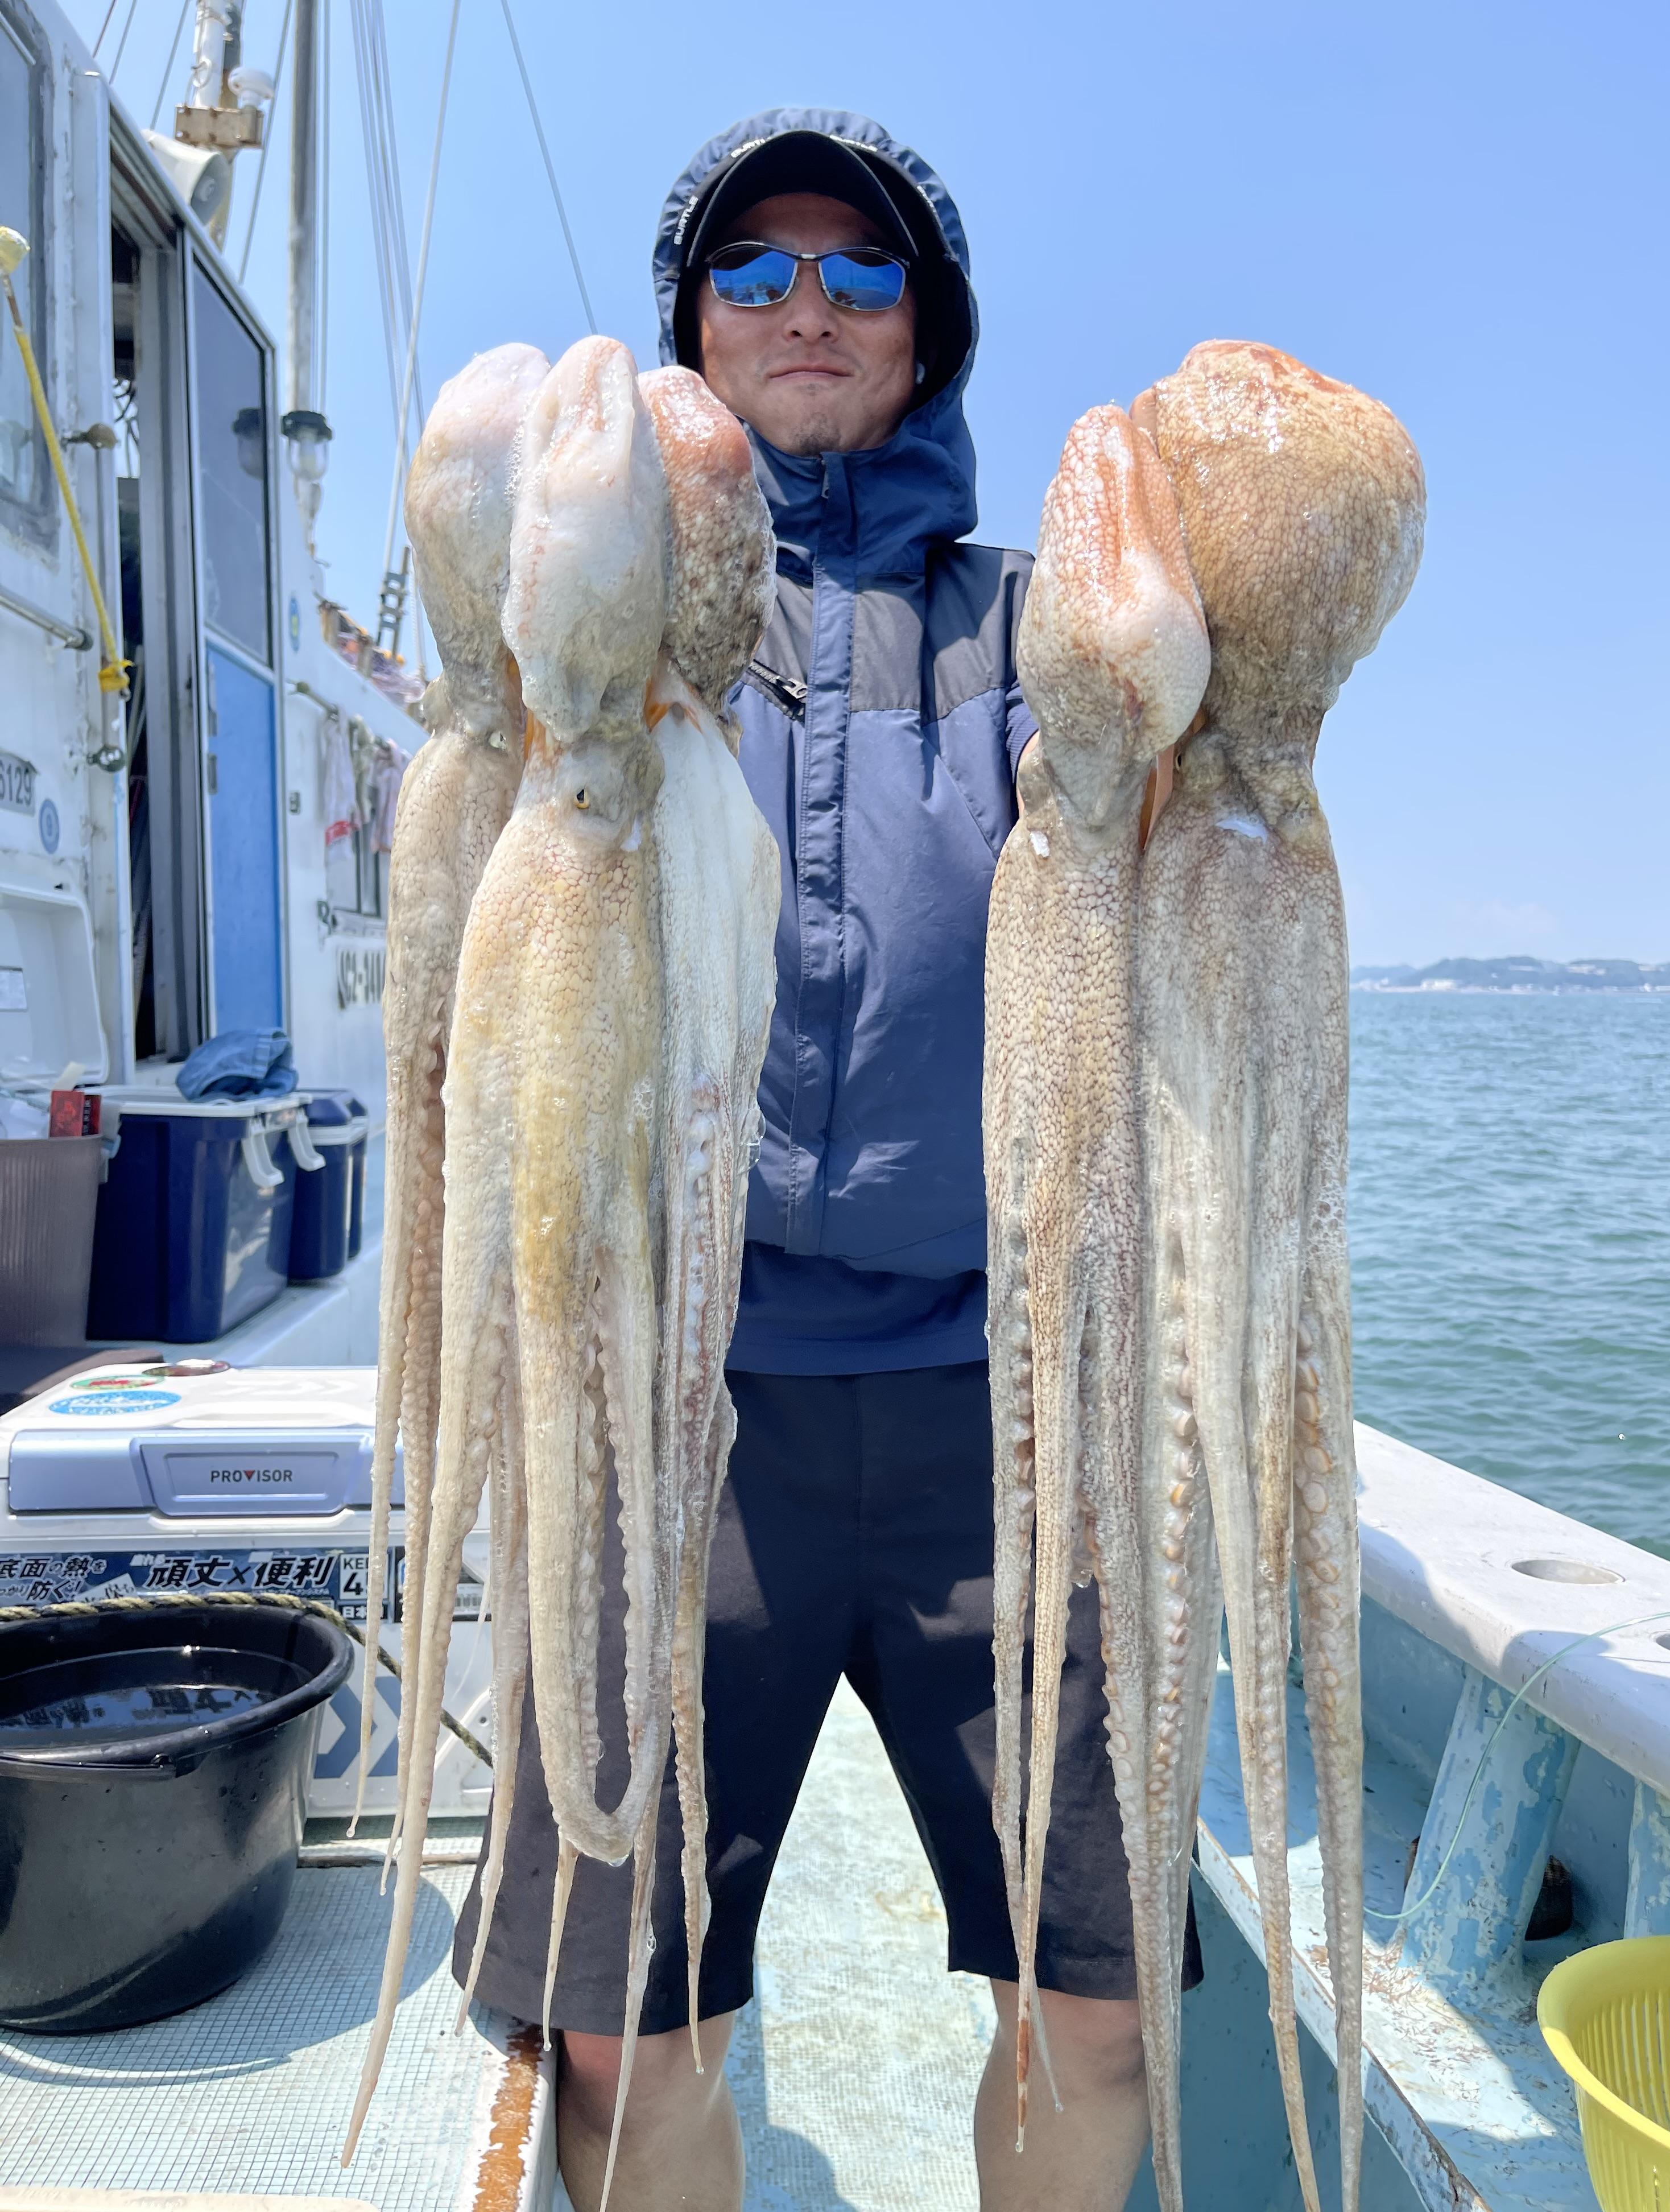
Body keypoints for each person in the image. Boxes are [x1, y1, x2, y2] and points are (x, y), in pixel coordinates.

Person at [453, 107, 1196, 2212]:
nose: (806, 305)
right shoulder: (610, 644)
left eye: (858, 273)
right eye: (755, 269)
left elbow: (1158, 828)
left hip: (1008, 1412)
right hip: (683, 1406)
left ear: (925, 328)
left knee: (1099, 1998)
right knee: (618, 2027)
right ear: (688, 321)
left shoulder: (1034, 628)